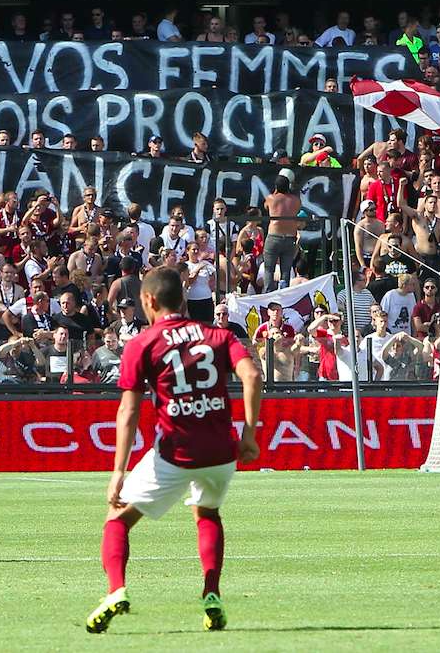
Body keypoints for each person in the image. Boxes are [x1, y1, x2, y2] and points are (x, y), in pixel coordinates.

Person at [85, 266, 262, 634]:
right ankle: (211, 593)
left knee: (117, 519)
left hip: (175, 452)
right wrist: (248, 435)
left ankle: (116, 590)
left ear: (148, 300)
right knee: (208, 513)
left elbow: (129, 410)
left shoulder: (142, 343)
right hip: (221, 452)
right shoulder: (218, 335)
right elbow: (253, 375)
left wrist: (118, 470)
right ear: (182, 299)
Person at [262, 175, 301, 291]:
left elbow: (266, 207)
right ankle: (284, 292)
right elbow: (298, 209)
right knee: (286, 269)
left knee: (269, 269)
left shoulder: (271, 198)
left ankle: (268, 292)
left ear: (276, 187)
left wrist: (275, 193)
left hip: (274, 236)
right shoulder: (296, 200)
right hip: (290, 237)